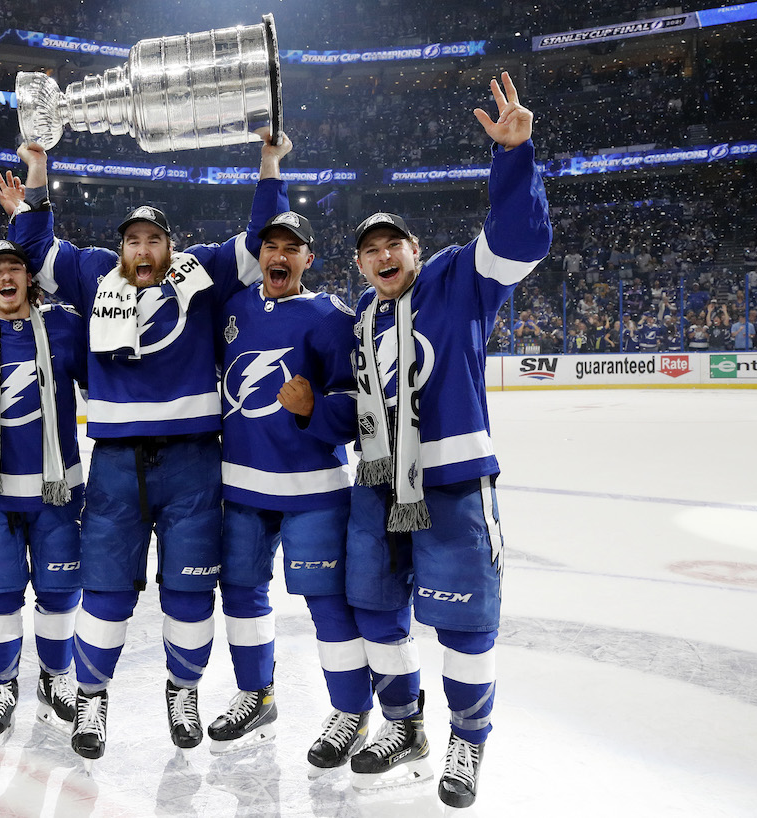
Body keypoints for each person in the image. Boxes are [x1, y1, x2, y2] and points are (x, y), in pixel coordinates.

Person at [0, 131, 291, 767]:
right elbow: (36, 249)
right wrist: (39, 172)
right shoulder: (93, 272)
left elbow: (264, 235)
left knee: (189, 592)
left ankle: (182, 690)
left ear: (170, 246)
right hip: (116, 464)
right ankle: (92, 697)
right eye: (132, 239)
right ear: (121, 246)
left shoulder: (203, 273)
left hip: (191, 461)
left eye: (153, 239)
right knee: (104, 589)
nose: (142, 249)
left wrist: (269, 164)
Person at [345, 72, 549, 809]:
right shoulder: (360, 321)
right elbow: (356, 408)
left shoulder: (459, 279)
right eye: (370, 250)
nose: (383, 255)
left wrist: (514, 158)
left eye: (393, 242)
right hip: (376, 488)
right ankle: (402, 723)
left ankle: (469, 738)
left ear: (414, 248)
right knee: (373, 608)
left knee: (464, 620)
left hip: (455, 484)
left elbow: (521, 239)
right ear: (361, 266)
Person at [211, 211, 368, 768]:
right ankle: (257, 694)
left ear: (308, 258)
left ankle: (351, 710)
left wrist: (314, 411)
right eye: (270, 246)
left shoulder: (331, 318)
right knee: (243, 594)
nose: (279, 255)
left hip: (314, 491)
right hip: (242, 489)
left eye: (291, 248)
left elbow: (358, 408)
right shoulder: (231, 309)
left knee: (327, 603)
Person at [0, 239, 88, 752]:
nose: (6, 276)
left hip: (55, 490)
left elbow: (105, 383)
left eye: (15, 266)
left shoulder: (65, 323)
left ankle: (54, 678)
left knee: (58, 595)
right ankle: (2, 686)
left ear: (30, 278)